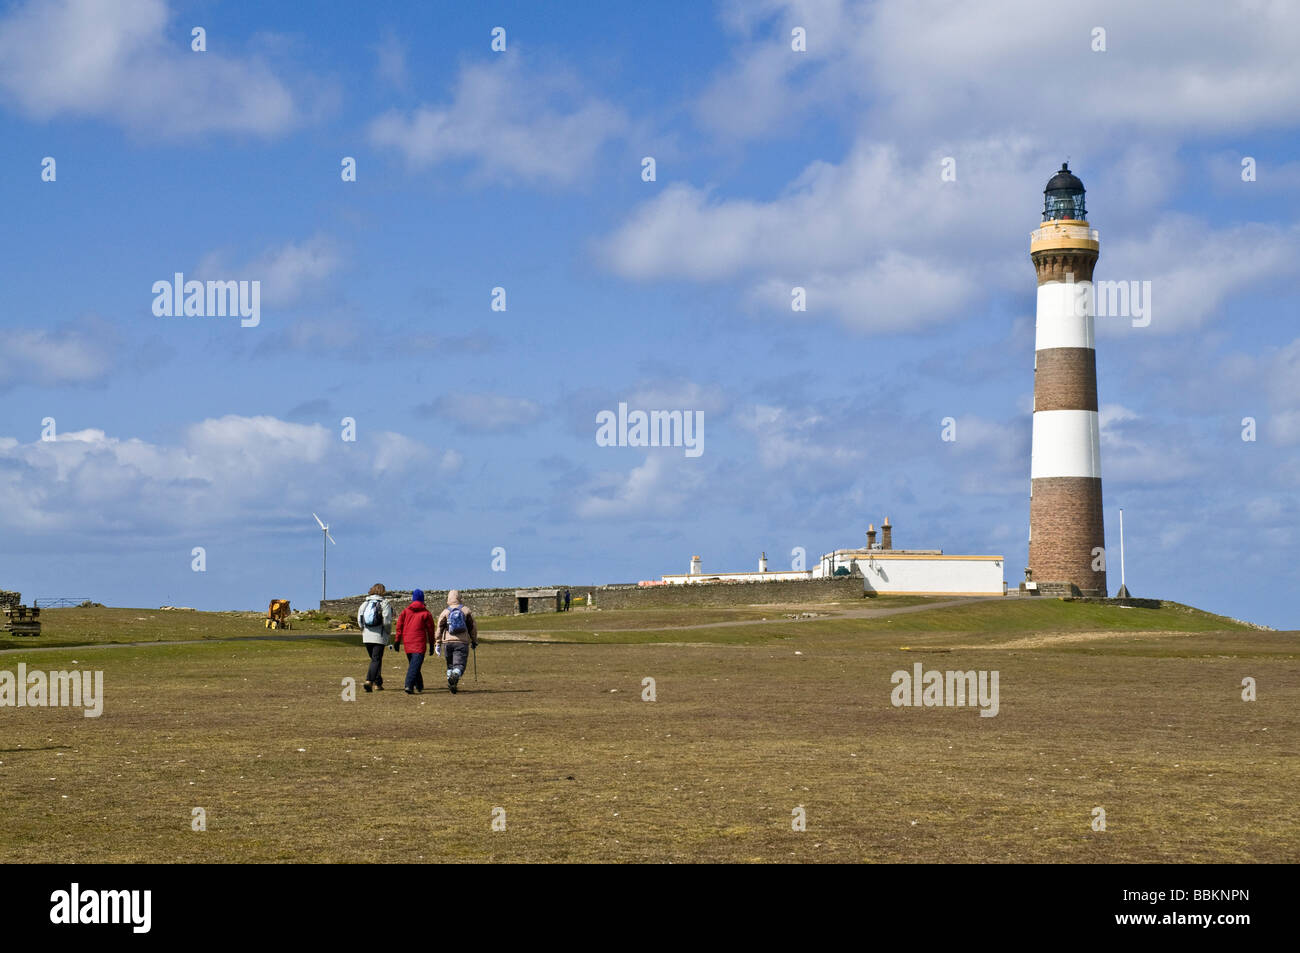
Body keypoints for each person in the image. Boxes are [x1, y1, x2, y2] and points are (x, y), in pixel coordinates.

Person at [435, 589, 478, 694]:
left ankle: (451, 683)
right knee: (459, 665)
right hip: (461, 642)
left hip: (447, 643)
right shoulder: (466, 610)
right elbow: (472, 627)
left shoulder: (445, 612)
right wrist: (474, 640)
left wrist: (438, 643)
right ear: (459, 598)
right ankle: (455, 677)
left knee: (450, 665)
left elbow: (439, 628)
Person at [394, 589, 437, 694]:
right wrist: (432, 644)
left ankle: (419, 685)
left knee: (414, 664)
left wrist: (397, 641)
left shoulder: (405, 612)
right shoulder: (426, 613)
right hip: (419, 643)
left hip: (407, 643)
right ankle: (408, 685)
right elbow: (431, 630)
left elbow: (399, 626)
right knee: (415, 665)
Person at [357, 583, 394, 693]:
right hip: (379, 636)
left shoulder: (365, 603)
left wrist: (363, 629)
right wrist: (388, 632)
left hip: (367, 636)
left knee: (375, 660)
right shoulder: (384, 603)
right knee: (376, 659)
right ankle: (369, 681)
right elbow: (387, 620)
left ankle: (378, 683)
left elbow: (359, 618)